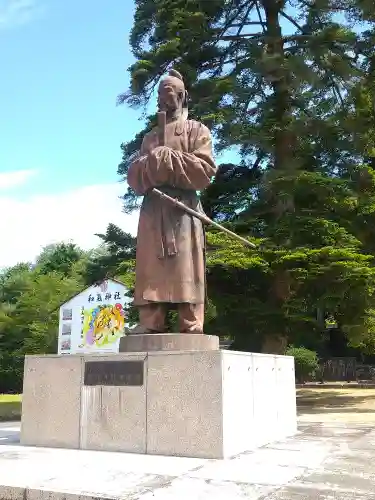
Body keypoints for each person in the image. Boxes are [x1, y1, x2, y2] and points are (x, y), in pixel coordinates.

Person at [127, 69, 217, 333]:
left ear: (182, 96)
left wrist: (170, 159)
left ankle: (190, 322)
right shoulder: (150, 138)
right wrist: (152, 162)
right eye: (160, 94)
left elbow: (205, 171)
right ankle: (150, 321)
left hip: (183, 208)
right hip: (154, 209)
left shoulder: (196, 130)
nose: (163, 100)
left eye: (169, 94)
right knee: (150, 266)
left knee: (185, 267)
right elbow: (134, 177)